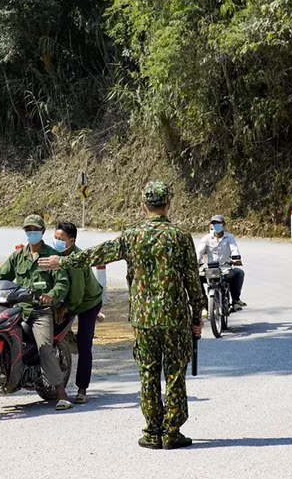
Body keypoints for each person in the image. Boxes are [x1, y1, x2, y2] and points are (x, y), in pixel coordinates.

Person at [39, 182, 206, 450]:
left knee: (148, 373)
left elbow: (97, 253)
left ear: (143, 206)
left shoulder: (132, 236)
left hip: (143, 319)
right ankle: (172, 432)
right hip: (175, 318)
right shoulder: (180, 237)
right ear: (168, 205)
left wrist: (64, 261)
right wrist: (197, 316)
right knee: (175, 373)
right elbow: (192, 282)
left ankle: (153, 431)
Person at [0, 214, 73, 410]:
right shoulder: (18, 256)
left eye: (35, 230)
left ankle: (61, 393)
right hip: (17, 309)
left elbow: (62, 282)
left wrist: (51, 295)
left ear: (42, 232)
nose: (31, 233)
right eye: (28, 230)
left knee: (45, 348)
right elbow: (0, 276)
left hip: (39, 311)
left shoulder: (52, 256)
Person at [52, 221, 103, 405]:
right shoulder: (54, 255)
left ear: (71, 241)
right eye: (55, 237)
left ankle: (82, 389)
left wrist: (65, 308)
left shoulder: (77, 260)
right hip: (69, 300)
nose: (57, 241)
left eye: (61, 239)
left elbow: (78, 294)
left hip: (88, 303)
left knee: (84, 344)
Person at [197, 214, 246, 311]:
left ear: (223, 224)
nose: (216, 225)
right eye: (214, 223)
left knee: (239, 273)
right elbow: (200, 251)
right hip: (210, 269)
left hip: (225, 268)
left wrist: (236, 258)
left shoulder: (229, 237)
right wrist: (197, 261)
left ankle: (235, 300)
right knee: (197, 278)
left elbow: (234, 248)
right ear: (211, 225)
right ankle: (203, 303)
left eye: (218, 223)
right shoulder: (206, 238)